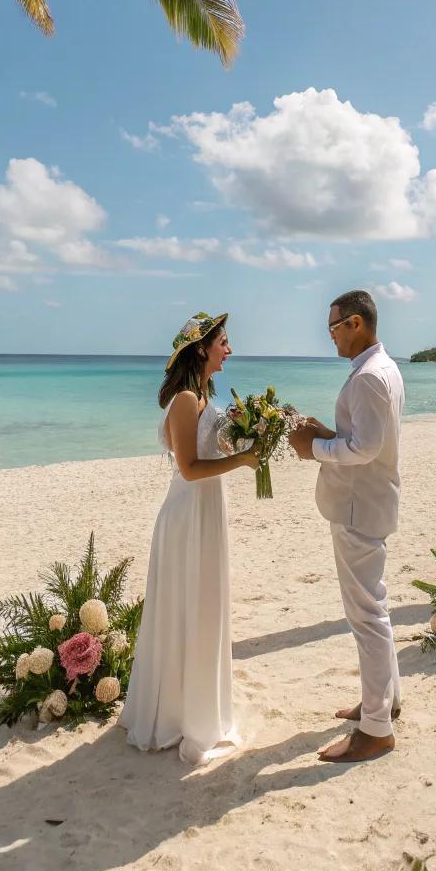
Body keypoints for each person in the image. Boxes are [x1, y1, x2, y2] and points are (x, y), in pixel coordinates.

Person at [120, 311, 258, 765]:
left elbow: (209, 450)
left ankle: (195, 708)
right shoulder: (183, 399)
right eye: (224, 342)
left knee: (203, 606)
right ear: (202, 348)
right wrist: (243, 460)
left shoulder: (202, 395)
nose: (229, 349)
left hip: (207, 513)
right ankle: (176, 717)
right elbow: (189, 469)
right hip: (186, 517)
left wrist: (240, 435)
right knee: (186, 608)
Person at [289, 289, 405, 764]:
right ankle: (385, 703)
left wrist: (312, 448)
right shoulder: (382, 370)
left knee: (366, 617)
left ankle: (376, 730)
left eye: (334, 327)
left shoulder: (369, 379)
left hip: (359, 508)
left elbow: (365, 448)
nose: (330, 336)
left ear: (356, 324)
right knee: (374, 609)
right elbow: (362, 439)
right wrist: (325, 433)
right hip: (368, 502)